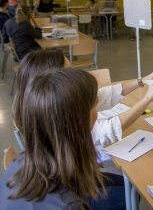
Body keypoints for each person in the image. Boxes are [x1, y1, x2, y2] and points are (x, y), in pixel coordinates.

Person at [0, 68, 125, 209]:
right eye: (94, 106)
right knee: (129, 193)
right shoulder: (68, 205)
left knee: (126, 184)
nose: (97, 113)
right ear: (76, 121)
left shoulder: (25, 159)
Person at [12, 49, 153, 148]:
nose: (75, 73)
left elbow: (102, 96)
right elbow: (107, 131)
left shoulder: (43, 106)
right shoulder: (60, 119)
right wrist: (147, 98)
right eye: (69, 71)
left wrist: (142, 81)